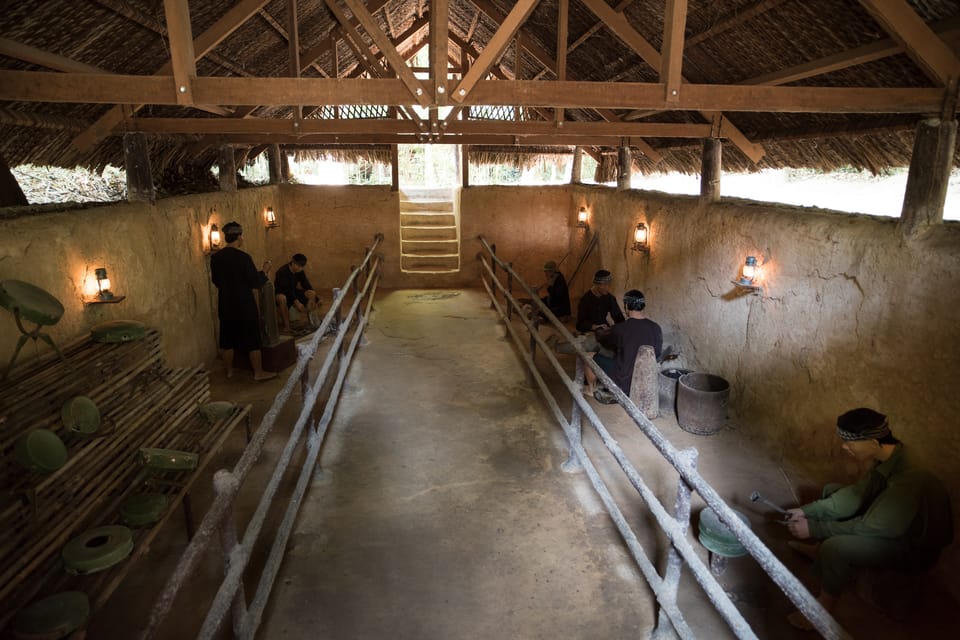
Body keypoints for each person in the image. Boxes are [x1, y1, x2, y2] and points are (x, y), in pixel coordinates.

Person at [783, 408, 953, 630]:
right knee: (831, 491)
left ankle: (820, 612)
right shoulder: (889, 455)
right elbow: (855, 496)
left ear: (873, 443)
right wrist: (808, 511)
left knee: (836, 547)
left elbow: (873, 526)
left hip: (912, 545)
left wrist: (815, 528)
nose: (845, 446)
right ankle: (818, 551)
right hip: (891, 521)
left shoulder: (910, 478)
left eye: (850, 442)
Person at [210, 221, 277, 381]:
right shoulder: (243, 258)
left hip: (225, 303)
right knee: (252, 340)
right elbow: (255, 282)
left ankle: (229, 372)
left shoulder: (216, 258)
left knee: (227, 340)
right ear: (239, 237)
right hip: (244, 304)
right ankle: (258, 373)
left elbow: (216, 281)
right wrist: (265, 271)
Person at [584, 289, 662, 401]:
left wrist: (599, 330)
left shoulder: (621, 328)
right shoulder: (656, 328)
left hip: (623, 381)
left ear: (626, 306)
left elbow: (604, 340)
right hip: (645, 380)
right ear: (643, 306)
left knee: (588, 356)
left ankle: (591, 389)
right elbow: (657, 353)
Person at [274, 253, 319, 331]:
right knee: (282, 298)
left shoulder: (299, 270)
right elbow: (287, 290)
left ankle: (311, 322)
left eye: (302, 267)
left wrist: (317, 298)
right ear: (293, 263)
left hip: (293, 292)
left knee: (312, 293)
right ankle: (287, 326)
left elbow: (306, 284)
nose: (300, 268)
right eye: (299, 266)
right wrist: (297, 302)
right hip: (282, 293)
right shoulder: (282, 272)